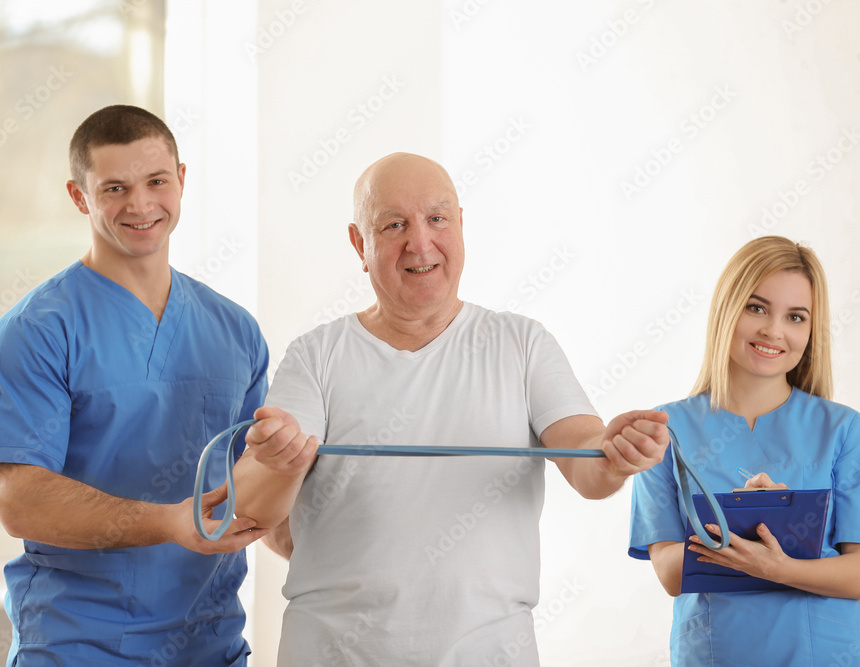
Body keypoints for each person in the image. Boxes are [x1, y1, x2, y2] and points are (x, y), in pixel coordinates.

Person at [230, 152, 671, 665]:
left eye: (436, 219)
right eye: (394, 225)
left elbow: (585, 460)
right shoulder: (315, 355)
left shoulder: (521, 344)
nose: (420, 242)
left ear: (461, 225)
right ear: (360, 244)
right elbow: (257, 509)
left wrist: (613, 454)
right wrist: (278, 457)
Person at [0, 105, 270, 666]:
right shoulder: (33, 333)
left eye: (156, 181)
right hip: (78, 644)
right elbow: (19, 501)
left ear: (181, 180)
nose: (140, 204)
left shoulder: (235, 330)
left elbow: (249, 478)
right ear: (79, 196)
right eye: (114, 187)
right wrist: (169, 522)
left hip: (210, 643)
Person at [629, 235, 860, 666]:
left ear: (811, 331)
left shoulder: (843, 429)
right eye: (757, 308)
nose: (774, 331)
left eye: (796, 317)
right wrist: (753, 519)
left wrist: (777, 566)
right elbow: (670, 571)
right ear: (726, 309)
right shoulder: (666, 430)